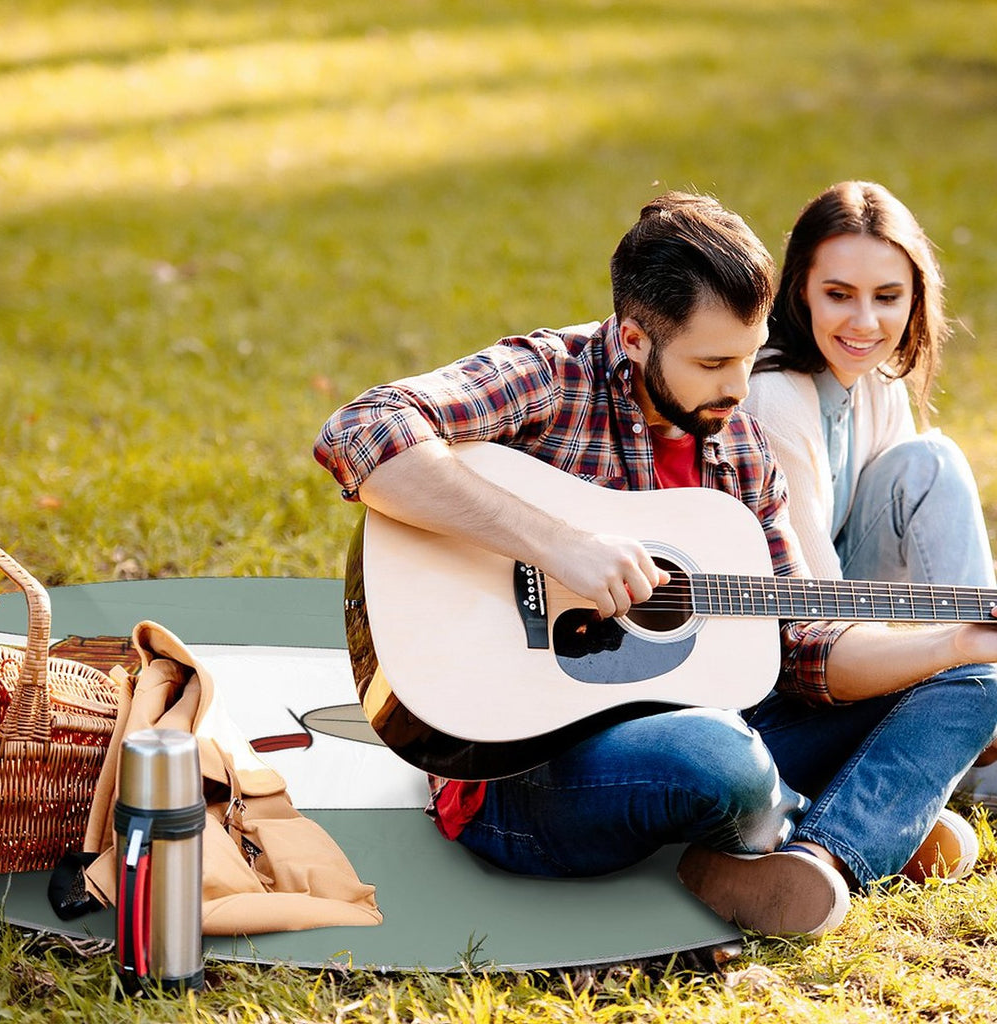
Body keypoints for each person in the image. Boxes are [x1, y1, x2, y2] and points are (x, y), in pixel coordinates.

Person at [314, 191, 997, 939]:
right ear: (635, 338)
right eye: (712, 363)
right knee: (719, 760)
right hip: (523, 773)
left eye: (749, 353)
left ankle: (824, 858)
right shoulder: (550, 376)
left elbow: (804, 645)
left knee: (977, 681)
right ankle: (855, 817)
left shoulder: (738, 444)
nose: (739, 389)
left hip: (715, 725)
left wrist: (953, 643)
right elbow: (362, 430)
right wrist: (556, 544)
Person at [744, 180, 997, 804]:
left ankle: (973, 721)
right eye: (839, 295)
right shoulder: (775, 395)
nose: (865, 322)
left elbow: (912, 568)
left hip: (849, 632)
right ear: (800, 288)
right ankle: (975, 748)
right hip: (784, 667)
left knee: (926, 462)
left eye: (888, 297)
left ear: (915, 298)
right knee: (932, 462)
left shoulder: (875, 378)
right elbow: (815, 621)